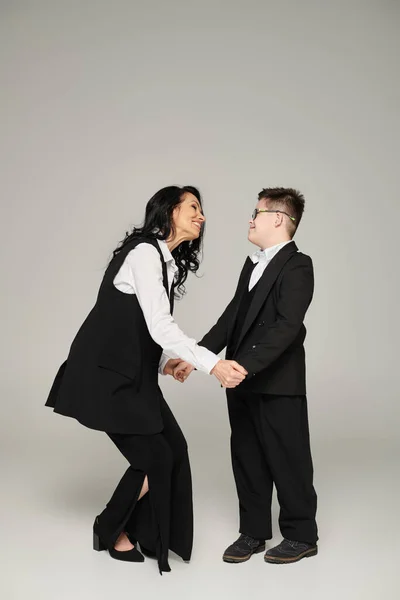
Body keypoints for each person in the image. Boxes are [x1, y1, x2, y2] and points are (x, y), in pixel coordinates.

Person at [45, 185, 247, 574]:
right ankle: (108, 527)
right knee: (156, 456)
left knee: (174, 449)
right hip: (105, 376)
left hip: (133, 375)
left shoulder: (163, 262)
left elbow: (135, 329)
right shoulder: (142, 252)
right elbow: (158, 326)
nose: (201, 216)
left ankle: (143, 532)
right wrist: (213, 364)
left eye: (202, 210)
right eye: (193, 207)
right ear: (169, 211)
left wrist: (165, 365)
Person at [173, 187, 318, 565]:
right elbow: (231, 318)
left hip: (276, 381)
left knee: (288, 458)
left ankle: (302, 535)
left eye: (257, 212)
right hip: (238, 379)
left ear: (278, 219)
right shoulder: (252, 264)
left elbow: (287, 327)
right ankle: (253, 532)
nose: (250, 219)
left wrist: (244, 366)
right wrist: (197, 355)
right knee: (247, 457)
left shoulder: (298, 264)